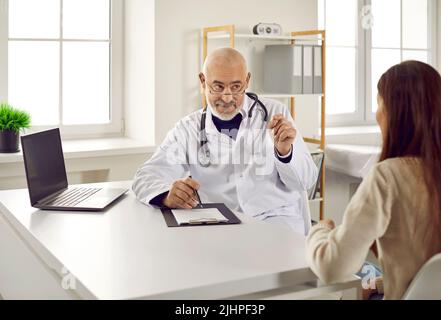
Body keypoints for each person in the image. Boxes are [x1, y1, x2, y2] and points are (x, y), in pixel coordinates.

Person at [132, 47, 318, 235]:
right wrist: (166, 195)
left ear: (247, 81)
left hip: (277, 223)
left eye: (236, 87)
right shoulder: (188, 129)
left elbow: (306, 181)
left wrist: (285, 153)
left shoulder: (275, 114)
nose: (227, 97)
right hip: (219, 226)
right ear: (203, 82)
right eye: (218, 87)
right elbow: (145, 176)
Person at [306, 60, 441, 299]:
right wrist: (379, 284)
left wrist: (319, 231)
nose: (377, 113)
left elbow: (332, 268)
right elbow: (429, 271)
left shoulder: (388, 177)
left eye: (378, 104)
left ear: (394, 112)